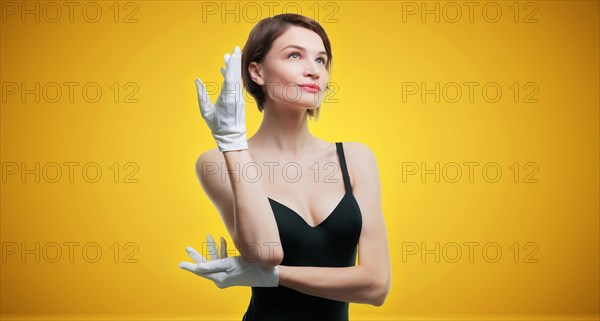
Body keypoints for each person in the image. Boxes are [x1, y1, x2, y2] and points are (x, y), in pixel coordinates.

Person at [179, 13, 391, 321]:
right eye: (294, 55)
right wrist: (232, 142)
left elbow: (376, 286)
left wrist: (275, 277)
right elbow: (266, 253)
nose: (313, 71)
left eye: (321, 60)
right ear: (257, 72)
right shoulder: (217, 162)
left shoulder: (357, 159)